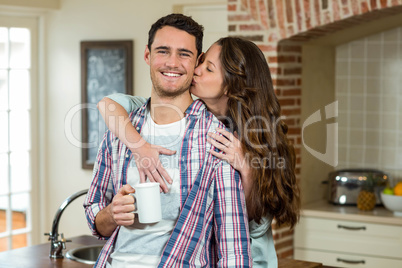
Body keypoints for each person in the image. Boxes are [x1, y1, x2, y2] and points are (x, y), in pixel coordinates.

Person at [98, 37, 301, 267]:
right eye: (201, 62)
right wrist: (140, 147)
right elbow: (108, 104)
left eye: (208, 68)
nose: (196, 70)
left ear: (230, 85)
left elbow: (255, 226)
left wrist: (246, 168)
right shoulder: (177, 111)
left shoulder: (254, 137)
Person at [84, 14, 252, 268]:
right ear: (147, 56)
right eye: (163, 51)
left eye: (184, 54)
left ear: (197, 61)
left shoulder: (217, 140)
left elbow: (234, 250)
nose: (172, 63)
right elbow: (97, 219)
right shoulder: (119, 132)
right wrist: (111, 213)